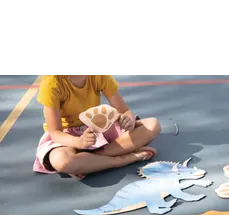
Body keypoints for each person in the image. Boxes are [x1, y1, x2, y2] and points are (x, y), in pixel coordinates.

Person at [33, 73, 161, 179]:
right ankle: (123, 159)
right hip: (68, 137)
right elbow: (55, 133)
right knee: (62, 161)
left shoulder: (100, 76)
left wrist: (129, 119)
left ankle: (90, 162)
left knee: (152, 125)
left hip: (98, 129)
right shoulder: (51, 84)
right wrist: (79, 142)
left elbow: (125, 111)